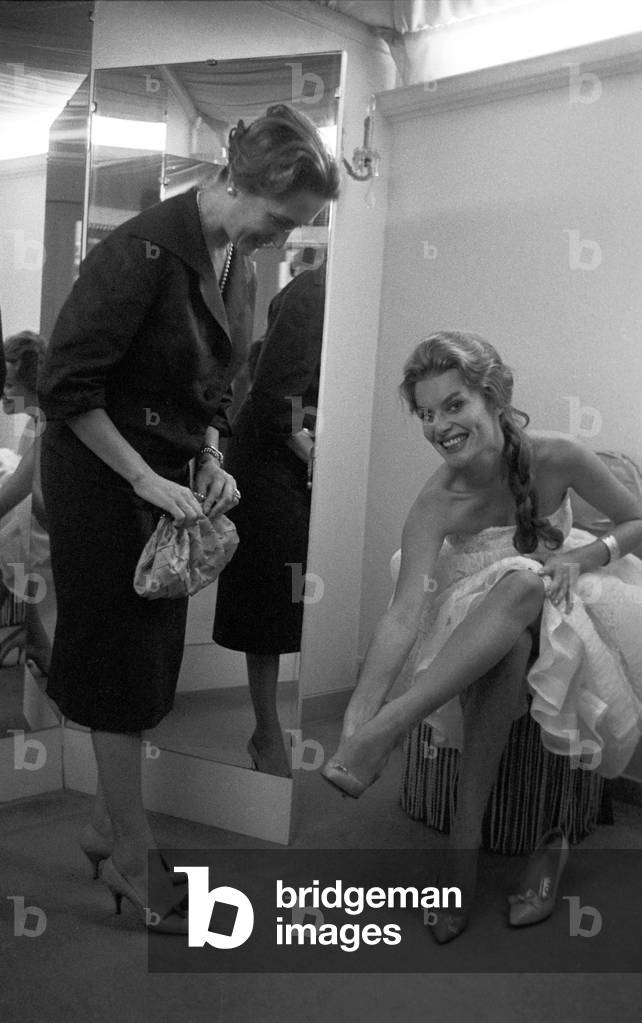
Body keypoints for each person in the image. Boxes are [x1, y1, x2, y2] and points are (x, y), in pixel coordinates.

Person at [39, 103, 339, 933]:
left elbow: (214, 388)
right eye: (282, 218)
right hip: (100, 479)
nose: (283, 237)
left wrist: (207, 453)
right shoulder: (140, 251)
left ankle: (102, 826)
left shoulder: (236, 260)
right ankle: (133, 857)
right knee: (117, 666)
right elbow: (66, 389)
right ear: (240, 181)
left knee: (148, 660)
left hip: (165, 478)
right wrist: (144, 475)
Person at [322, 330, 642, 942]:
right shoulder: (437, 500)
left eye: (454, 404)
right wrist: (356, 716)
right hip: (472, 617)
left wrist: (584, 558)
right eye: (426, 414)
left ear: (496, 396)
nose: (439, 426)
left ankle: (397, 736)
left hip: (564, 595)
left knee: (526, 581)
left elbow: (636, 521)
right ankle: (462, 851)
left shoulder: (559, 455)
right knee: (508, 647)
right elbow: (403, 615)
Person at [213, 255, 327, 776]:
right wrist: (314, 455)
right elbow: (278, 393)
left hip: (294, 458)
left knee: (293, 596)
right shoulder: (315, 290)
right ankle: (266, 731)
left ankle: (269, 729)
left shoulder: (342, 295)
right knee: (271, 599)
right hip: (271, 463)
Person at [0, 331, 52, 674]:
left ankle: (36, 642)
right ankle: (32, 639)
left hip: (55, 528)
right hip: (42, 520)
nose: (3, 392)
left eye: (8, 384)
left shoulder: (46, 425)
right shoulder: (36, 422)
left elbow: (23, 492)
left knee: (7, 540)